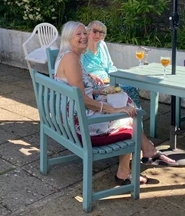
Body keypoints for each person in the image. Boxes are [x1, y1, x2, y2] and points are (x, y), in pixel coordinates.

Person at [54, 21, 178, 184]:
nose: (84, 37)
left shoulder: (69, 55)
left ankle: (147, 150)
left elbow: (78, 90)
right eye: (79, 34)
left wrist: (98, 91)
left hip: (70, 114)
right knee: (130, 117)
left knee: (125, 100)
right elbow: (82, 99)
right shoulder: (71, 58)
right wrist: (110, 110)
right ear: (68, 37)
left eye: (85, 33)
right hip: (79, 124)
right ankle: (124, 172)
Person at [82, 20, 141, 107]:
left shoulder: (102, 45)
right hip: (93, 83)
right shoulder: (82, 47)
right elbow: (79, 70)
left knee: (131, 87)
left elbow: (110, 65)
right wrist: (90, 76)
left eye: (101, 33)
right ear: (88, 31)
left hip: (109, 80)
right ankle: (118, 114)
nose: (98, 35)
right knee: (120, 91)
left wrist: (117, 77)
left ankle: (134, 116)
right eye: (95, 31)